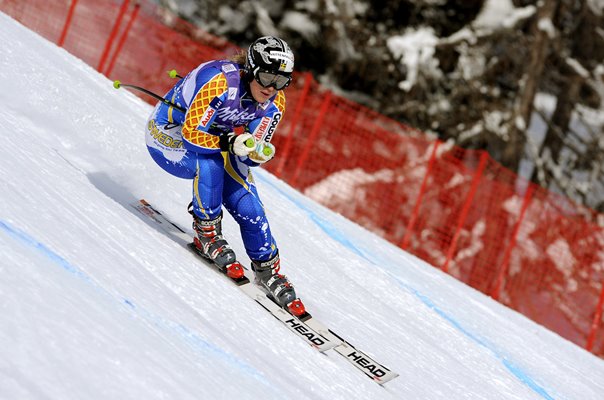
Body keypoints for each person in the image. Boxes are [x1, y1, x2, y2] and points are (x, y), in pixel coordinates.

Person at [145, 36, 305, 316]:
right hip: (168, 136)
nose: (271, 88)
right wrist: (230, 144)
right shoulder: (219, 81)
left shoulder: (275, 103)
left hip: (214, 142)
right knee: (211, 163)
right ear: (252, 69)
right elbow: (192, 135)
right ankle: (206, 232)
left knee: (248, 202)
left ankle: (267, 267)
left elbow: (247, 156)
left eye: (281, 81)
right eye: (267, 76)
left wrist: (255, 154)